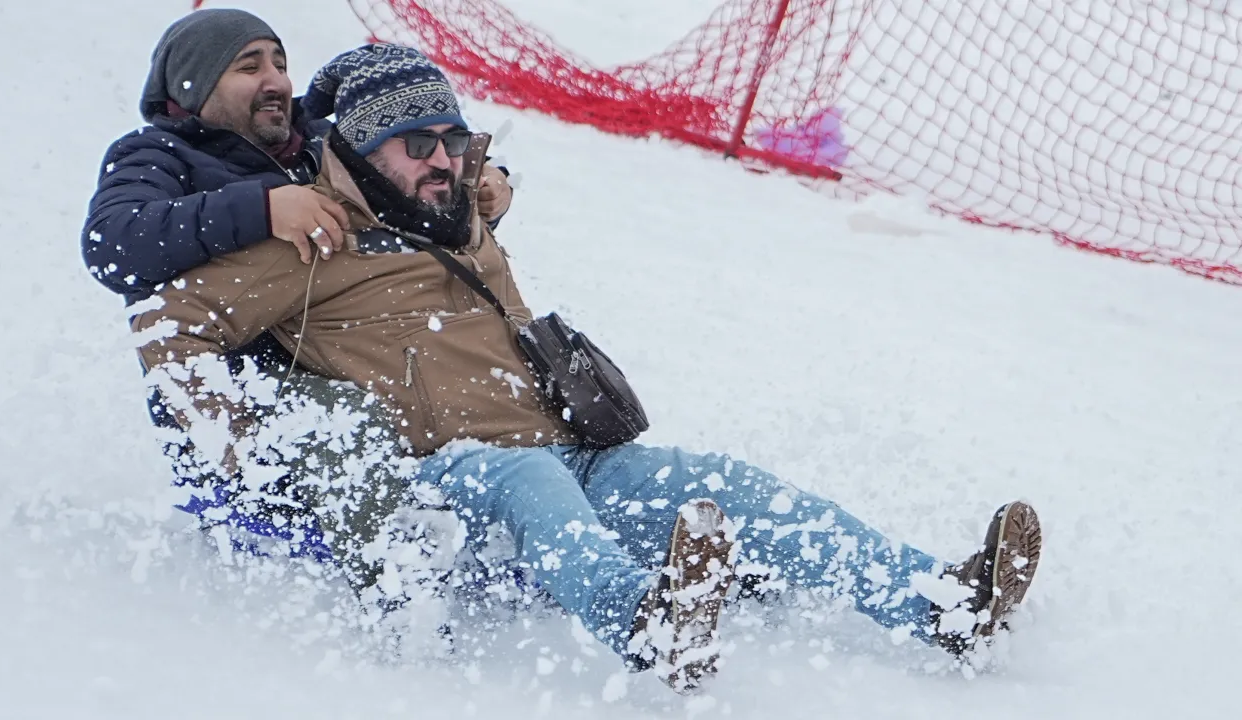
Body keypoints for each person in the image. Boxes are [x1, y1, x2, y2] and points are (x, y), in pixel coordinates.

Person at [129, 44, 1043, 694]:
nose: (441, 158)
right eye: (416, 144)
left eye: (451, 137)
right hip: (439, 479)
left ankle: (940, 601)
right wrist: (241, 442)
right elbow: (167, 321)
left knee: (716, 480)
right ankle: (644, 623)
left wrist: (489, 178)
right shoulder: (309, 237)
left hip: (566, 450)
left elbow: (479, 181)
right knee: (528, 476)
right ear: (359, 152)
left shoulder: (462, 212)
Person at [79, 10, 515, 555]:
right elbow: (112, 245)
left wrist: (483, 178)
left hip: (352, 355)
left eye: (281, 63)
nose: (276, 80)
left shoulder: (313, 143)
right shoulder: (159, 155)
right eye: (248, 65)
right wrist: (261, 208)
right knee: (348, 421)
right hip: (242, 390)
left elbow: (407, 179)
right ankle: (404, 600)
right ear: (193, 85)